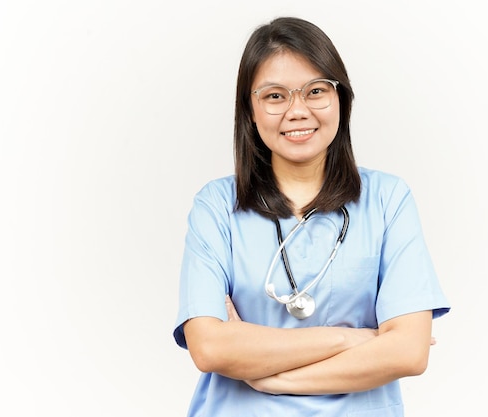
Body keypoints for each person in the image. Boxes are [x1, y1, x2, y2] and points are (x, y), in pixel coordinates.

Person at [173, 16, 450, 417]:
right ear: (250, 110)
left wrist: (272, 379)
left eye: (315, 91)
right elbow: (210, 347)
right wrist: (350, 339)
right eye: (274, 96)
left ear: (341, 99)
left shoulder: (388, 200)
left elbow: (408, 353)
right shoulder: (216, 207)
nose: (297, 110)